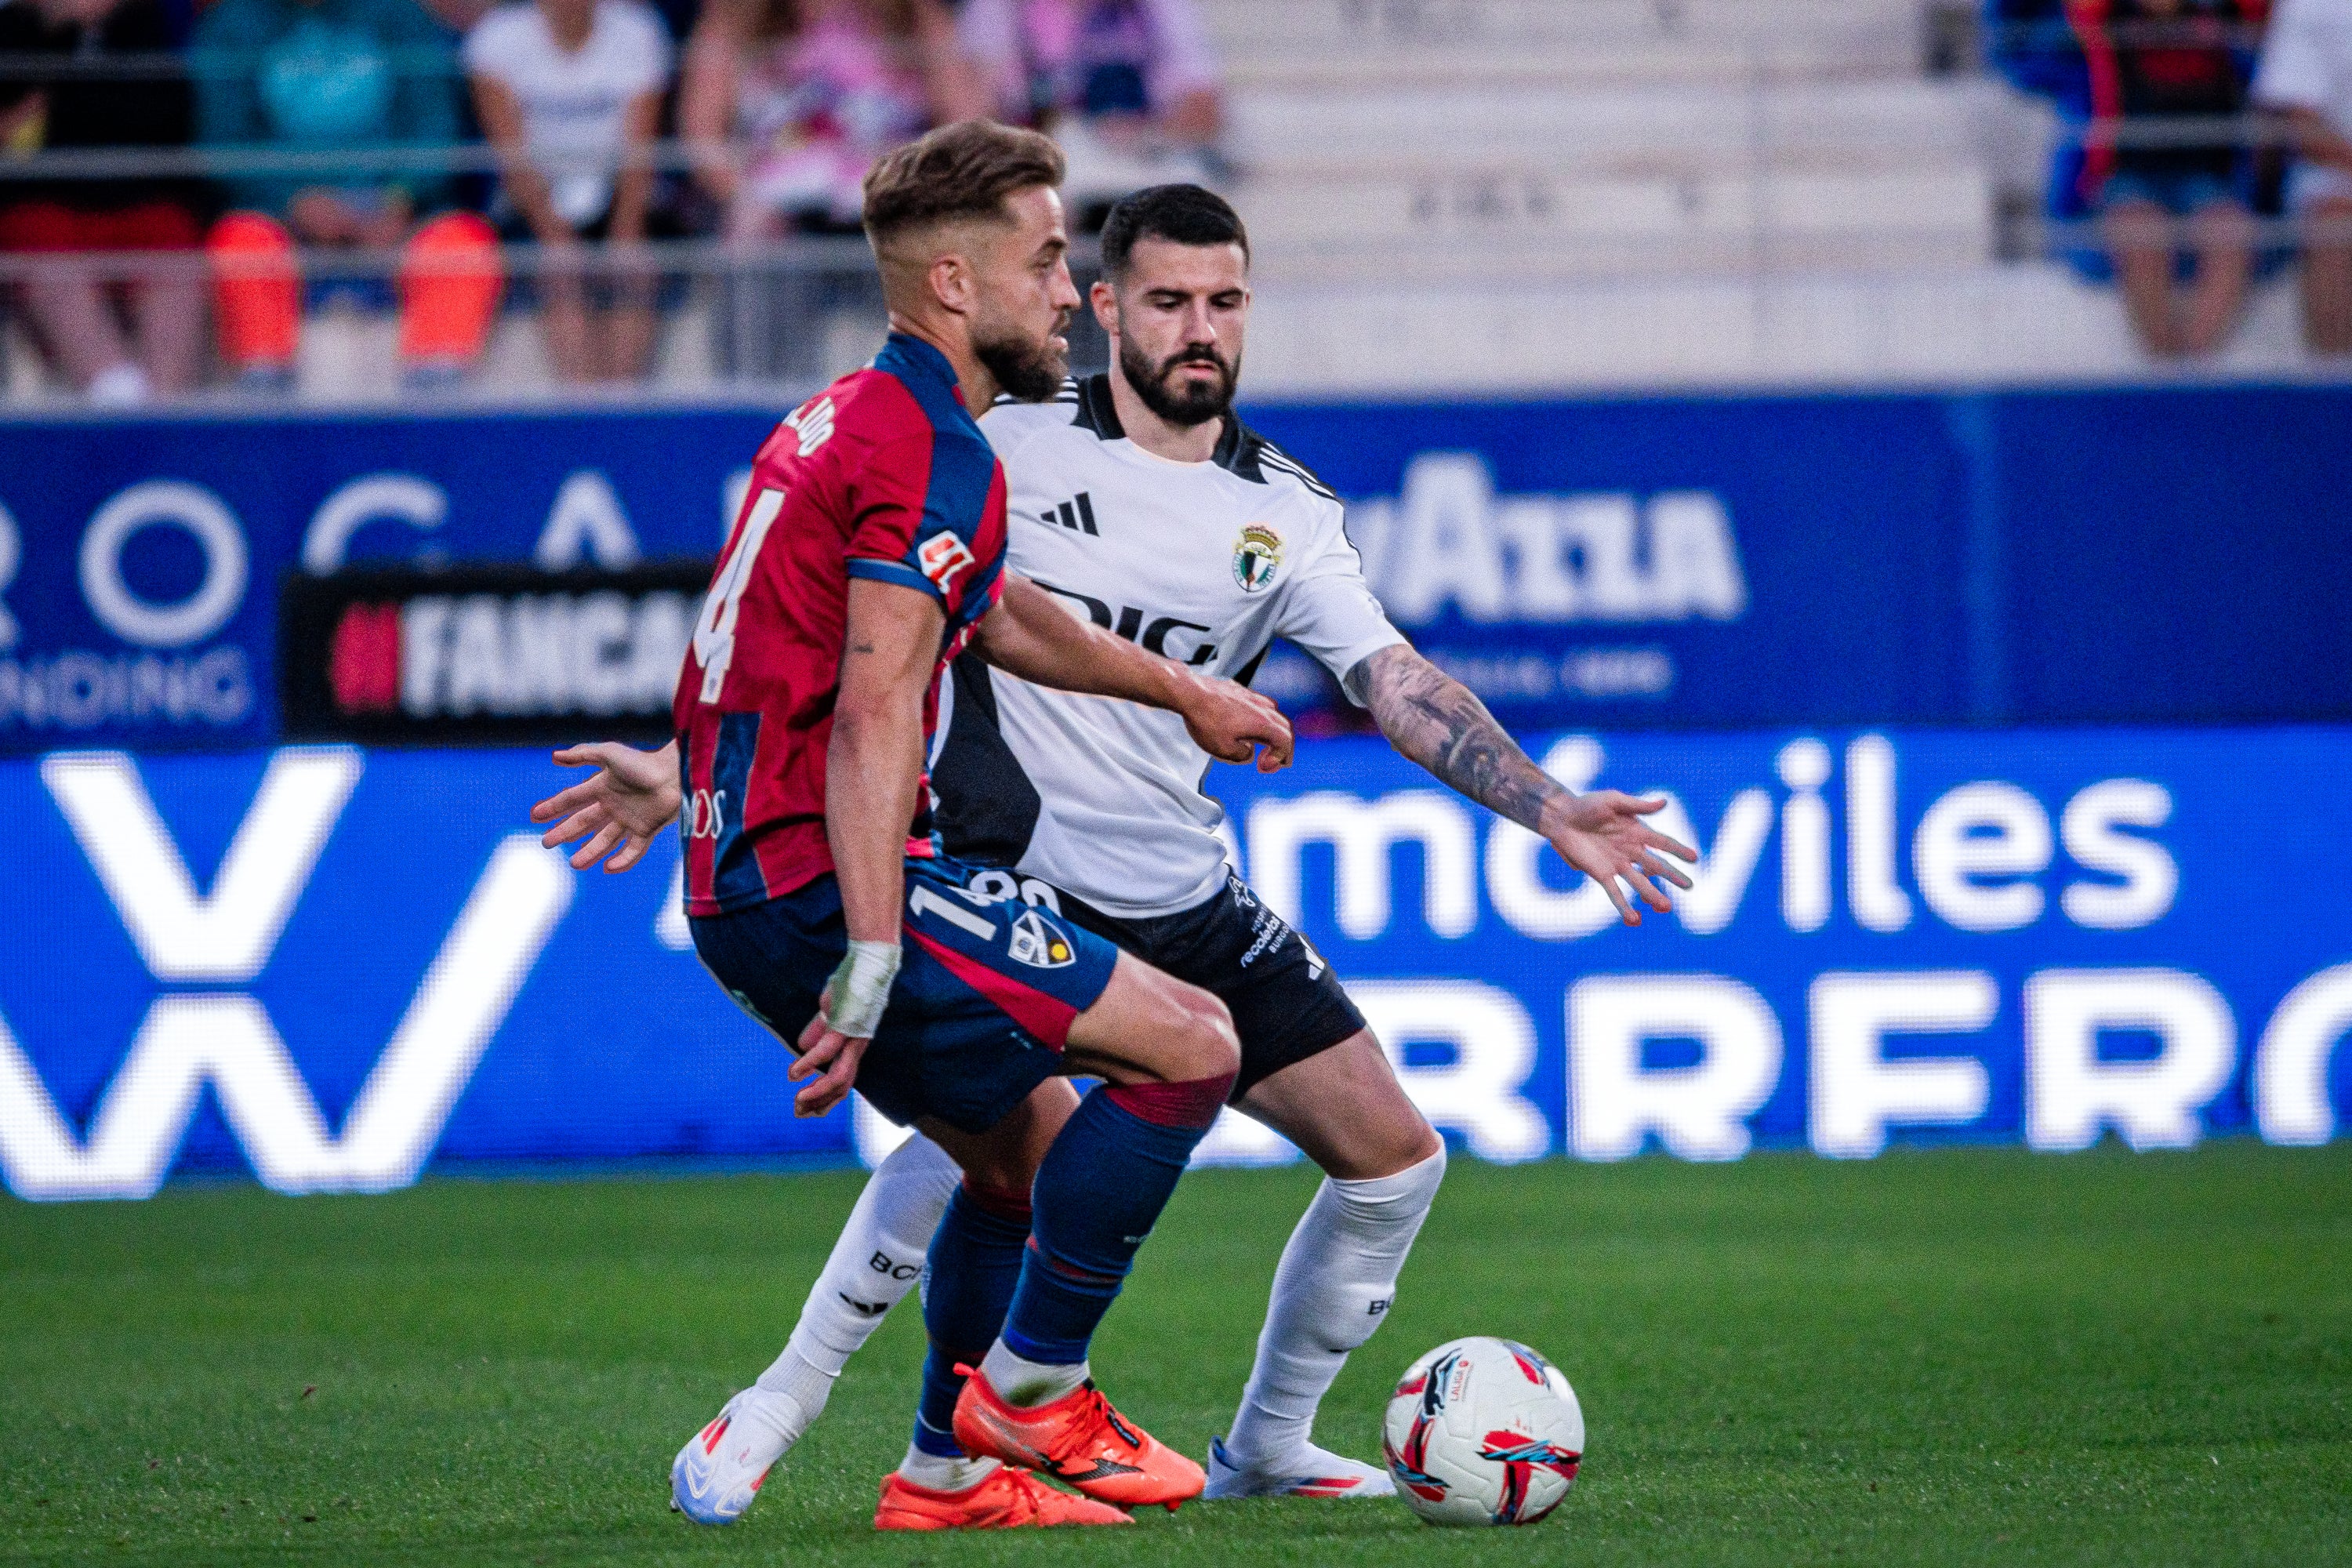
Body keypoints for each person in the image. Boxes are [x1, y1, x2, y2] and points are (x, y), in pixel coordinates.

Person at [535, 184, 1699, 1517]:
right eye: (1166, 300)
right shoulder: (1004, 443)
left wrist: (1545, 803)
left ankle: (1262, 1445)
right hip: (1001, 866)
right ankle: (809, 1406)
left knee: (1393, 1154)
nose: (1199, 329)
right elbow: (868, 633)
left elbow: (1390, 676)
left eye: (1224, 302)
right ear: (1105, 307)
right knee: (993, 1149)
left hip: (1179, 885)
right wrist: (696, 766)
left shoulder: (1286, 511)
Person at [542, 122, 1321, 1532]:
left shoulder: (845, 415)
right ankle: (1031, 1398)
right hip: (816, 877)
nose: (1063, 295)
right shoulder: (929, 446)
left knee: (1021, 1150)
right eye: (1040, 263)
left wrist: (1182, 690)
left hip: (739, 872)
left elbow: (968, 618)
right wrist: (874, 951)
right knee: (1193, 1046)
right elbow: (873, 705)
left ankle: (946, 1479)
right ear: (954, 284)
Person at [193, 0, 502, 388]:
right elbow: (225, 142)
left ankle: (434, 390)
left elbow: (435, 123)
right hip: (282, 216)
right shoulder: (233, 24)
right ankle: (266, 387)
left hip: (395, 211)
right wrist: (294, 201)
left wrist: (401, 198)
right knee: (239, 242)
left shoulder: (402, 14)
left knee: (464, 242)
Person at [0, 0, 205, 403]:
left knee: (173, 242)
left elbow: (168, 123)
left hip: (140, 198)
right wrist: (56, 35)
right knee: (40, 246)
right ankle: (114, 392)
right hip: (43, 200)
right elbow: (16, 131)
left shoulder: (152, 25)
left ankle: (165, 407)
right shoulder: (15, 30)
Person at [466, 0, 673, 383]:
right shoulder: (495, 39)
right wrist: (555, 236)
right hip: (532, 200)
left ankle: (621, 403)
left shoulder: (638, 31)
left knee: (635, 270)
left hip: (620, 193)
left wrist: (626, 235)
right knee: (559, 271)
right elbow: (513, 158)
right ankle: (584, 404)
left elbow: (639, 151)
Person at [2067, 0, 2269, 357]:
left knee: (2233, 233)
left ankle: (2192, 368)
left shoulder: (2221, 13)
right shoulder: (2109, 17)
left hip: (2205, 178)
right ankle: (2167, 369)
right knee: (2142, 234)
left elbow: (2262, 13)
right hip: (2129, 176)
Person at [954, 0, 1222, 225]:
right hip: (1047, 169)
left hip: (1142, 163)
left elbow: (1203, 110)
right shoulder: (1000, 9)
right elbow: (976, 116)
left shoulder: (1159, 9)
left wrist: (1137, 133)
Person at [2254, 0, 2352, 352]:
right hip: (2334, 174)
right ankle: (2335, 393)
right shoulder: (2310, 6)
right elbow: (2300, 122)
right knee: (2334, 224)